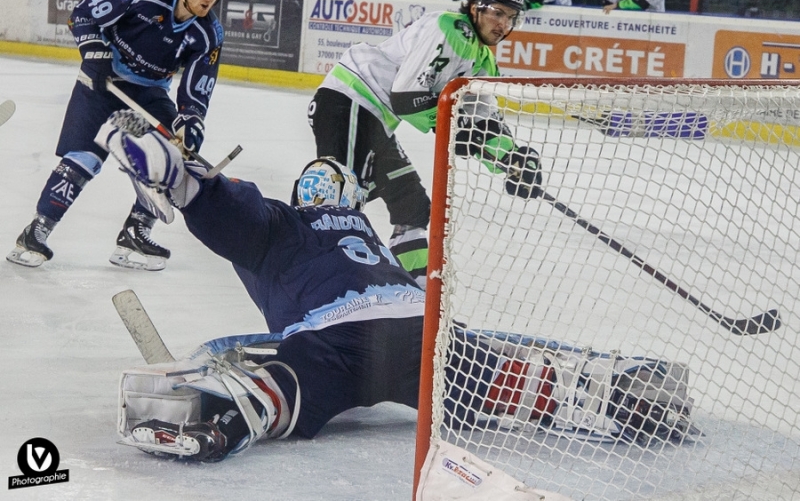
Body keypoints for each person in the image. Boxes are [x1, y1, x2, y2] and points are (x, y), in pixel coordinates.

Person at [97, 117, 697, 460]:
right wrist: (191, 176)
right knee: (493, 378)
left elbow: (232, 209)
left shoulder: (283, 221)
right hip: (417, 325)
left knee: (284, 384)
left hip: (336, 337)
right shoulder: (365, 228)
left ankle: (216, 413)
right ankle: (616, 393)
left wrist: (180, 177)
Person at [307, 0, 539, 288]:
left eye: (510, 17)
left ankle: (414, 295)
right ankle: (317, 288)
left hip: (376, 119)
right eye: (497, 12)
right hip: (349, 100)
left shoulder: (484, 62)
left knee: (412, 207)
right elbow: (405, 98)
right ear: (475, 7)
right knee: (340, 202)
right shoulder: (449, 27)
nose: (503, 25)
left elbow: (484, 125)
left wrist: (513, 160)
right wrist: (457, 131)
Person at [6, 0, 227, 271]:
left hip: (150, 93)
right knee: (83, 160)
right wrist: (94, 51)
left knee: (172, 154)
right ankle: (37, 230)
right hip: (103, 80)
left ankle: (136, 231)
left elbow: (197, 88)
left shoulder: (208, 33)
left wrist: (191, 121)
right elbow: (83, 13)